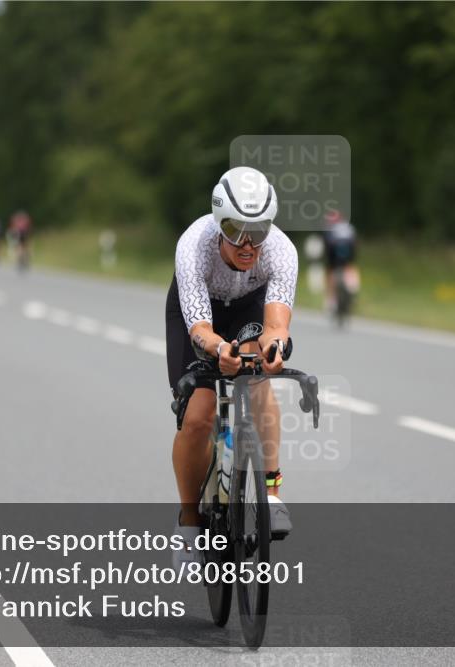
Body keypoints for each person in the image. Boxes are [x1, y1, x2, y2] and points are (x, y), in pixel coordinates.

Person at [166, 166, 298, 566]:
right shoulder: (194, 245)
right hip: (199, 314)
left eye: (257, 230)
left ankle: (270, 493)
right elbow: (200, 329)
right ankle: (190, 521)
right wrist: (220, 349)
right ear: (218, 223)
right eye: (235, 229)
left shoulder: (281, 250)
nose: (247, 243)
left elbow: (276, 325)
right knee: (199, 416)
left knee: (257, 383)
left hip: (247, 307)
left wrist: (274, 348)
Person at [322, 208, 360, 317]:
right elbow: (355, 244)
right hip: (349, 251)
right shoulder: (349, 227)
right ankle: (353, 286)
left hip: (334, 253)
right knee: (350, 267)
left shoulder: (330, 228)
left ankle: (331, 300)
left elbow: (327, 246)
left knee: (330, 271)